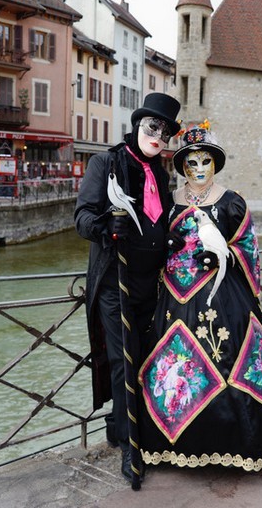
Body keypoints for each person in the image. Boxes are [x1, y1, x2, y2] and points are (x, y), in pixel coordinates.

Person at [138, 121, 262, 472]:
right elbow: (155, 241)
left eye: (204, 162)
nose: (198, 169)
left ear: (215, 163)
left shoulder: (231, 202)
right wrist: (164, 245)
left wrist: (222, 254)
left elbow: (248, 246)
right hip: (173, 296)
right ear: (182, 166)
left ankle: (239, 442)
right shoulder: (169, 202)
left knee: (234, 361)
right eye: (191, 163)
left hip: (222, 294)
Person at [74, 92, 181, 482]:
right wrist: (106, 227)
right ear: (138, 125)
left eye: (166, 132)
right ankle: (129, 448)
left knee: (149, 357)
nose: (159, 136)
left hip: (149, 285)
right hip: (113, 283)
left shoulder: (161, 174)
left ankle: (133, 430)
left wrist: (174, 240)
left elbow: (161, 220)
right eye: (154, 127)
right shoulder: (106, 163)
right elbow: (82, 217)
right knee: (123, 362)